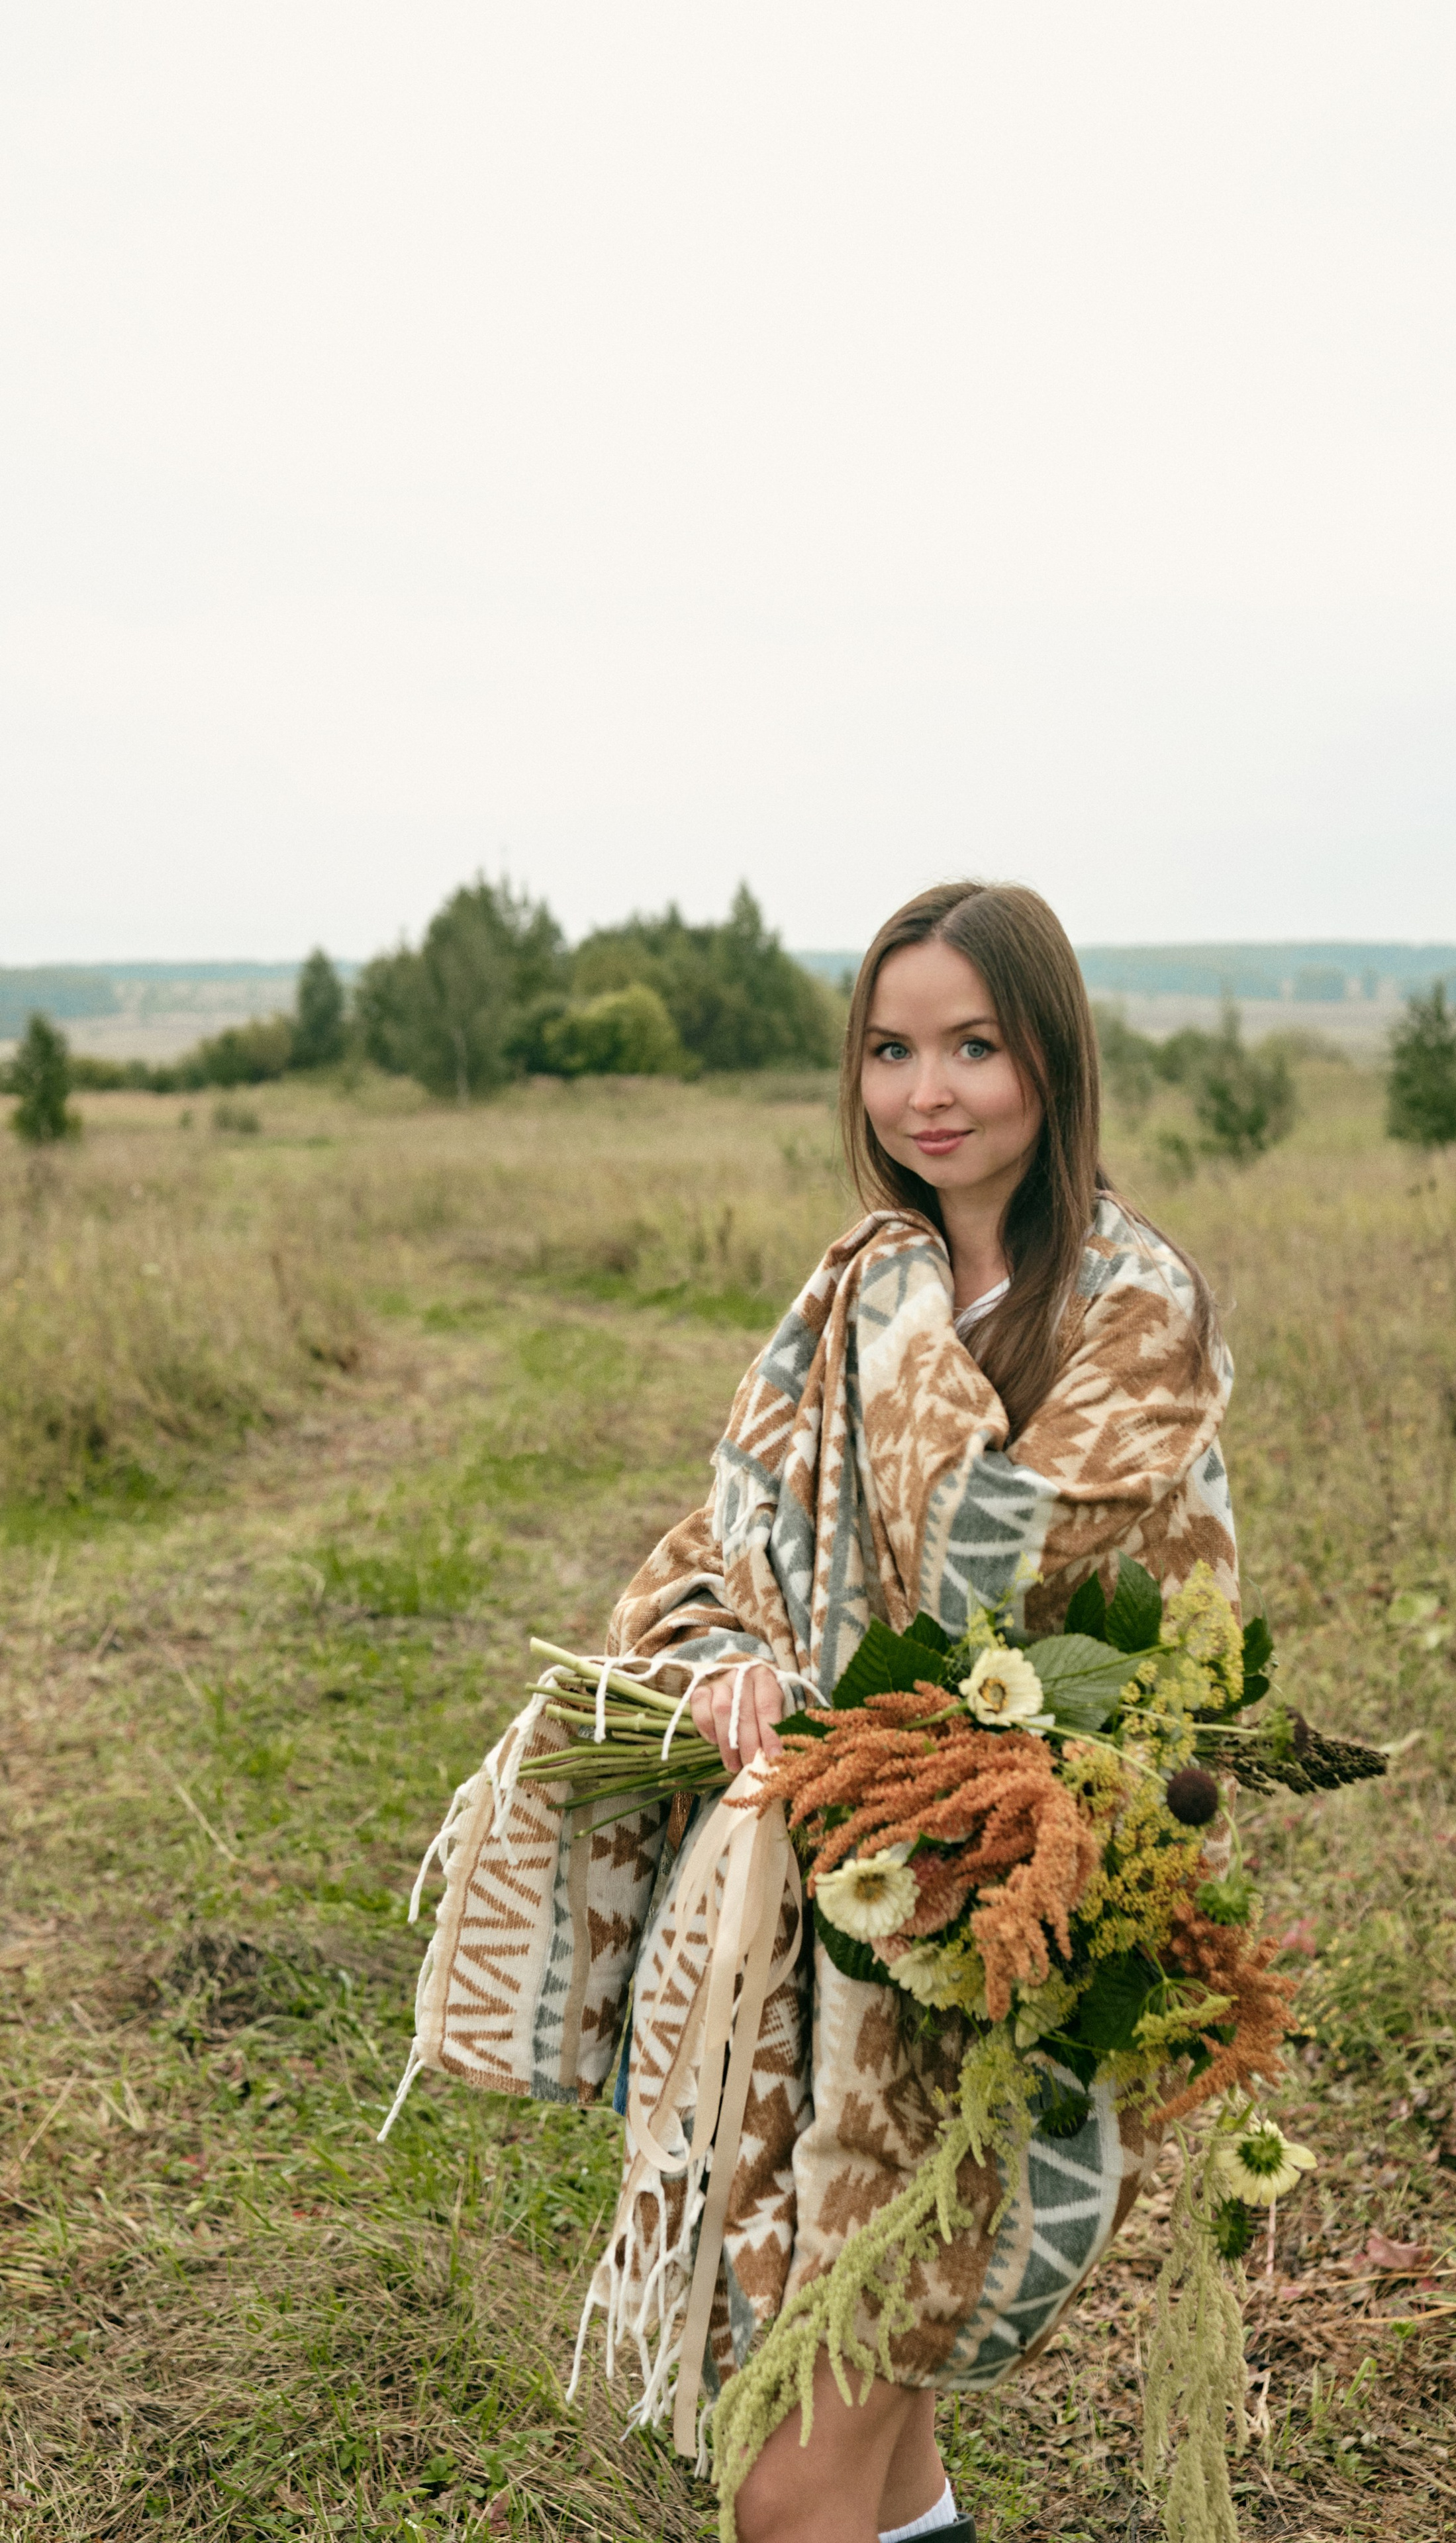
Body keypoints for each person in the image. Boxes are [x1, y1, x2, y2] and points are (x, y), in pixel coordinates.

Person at [401, 880, 1236, 2543]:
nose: (928, 1091)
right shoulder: (853, 1288)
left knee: (793, 2466)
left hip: (1003, 1919)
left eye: (973, 1047)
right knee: (874, 2438)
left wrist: (908, 1307)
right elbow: (721, 1543)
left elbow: (1007, 1557)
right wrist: (725, 1653)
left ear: (1050, 1059)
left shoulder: (1126, 1305)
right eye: (889, 1050)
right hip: (821, 1926)